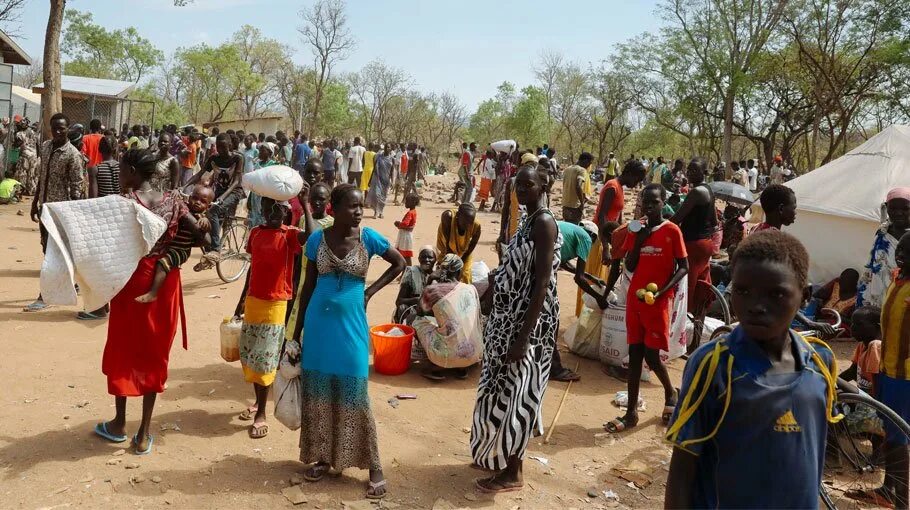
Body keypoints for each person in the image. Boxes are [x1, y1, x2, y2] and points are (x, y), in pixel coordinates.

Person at [664, 229, 840, 508]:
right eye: (743, 291)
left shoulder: (819, 361)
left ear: (804, 296)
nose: (756, 306)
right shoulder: (715, 365)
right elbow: (683, 469)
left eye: (776, 294)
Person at [293, 184, 405, 499]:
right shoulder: (316, 241)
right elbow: (307, 290)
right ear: (334, 208)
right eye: (352, 206)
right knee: (319, 393)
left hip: (352, 329)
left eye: (361, 206)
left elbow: (399, 263)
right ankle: (324, 457)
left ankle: (374, 467)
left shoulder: (368, 238)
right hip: (318, 329)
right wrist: (295, 335)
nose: (358, 212)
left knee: (356, 394)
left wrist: (369, 292)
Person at [94, 148, 207, 455]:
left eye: (122, 171)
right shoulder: (174, 199)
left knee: (124, 348)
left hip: (132, 279)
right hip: (165, 281)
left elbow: (106, 245)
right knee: (153, 353)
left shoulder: (125, 204)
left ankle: (119, 424)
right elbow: (199, 235)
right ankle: (143, 434)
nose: (120, 177)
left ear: (132, 170)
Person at [470, 161, 561, 494]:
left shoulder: (545, 225)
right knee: (498, 385)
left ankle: (514, 471)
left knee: (518, 391)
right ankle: (494, 452)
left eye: (528, 186)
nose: (521, 191)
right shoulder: (528, 220)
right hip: (507, 319)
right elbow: (512, 268)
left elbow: (541, 285)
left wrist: (523, 337)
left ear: (542, 187)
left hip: (528, 324)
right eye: (518, 186)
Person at [231, 189, 314, 439]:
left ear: (287, 211)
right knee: (251, 356)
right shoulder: (256, 233)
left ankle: (261, 413)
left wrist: (306, 204)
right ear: (263, 210)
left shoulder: (289, 234)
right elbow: (252, 269)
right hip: (255, 302)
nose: (276, 213)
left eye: (281, 209)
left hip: (276, 304)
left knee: (266, 360)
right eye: (271, 208)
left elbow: (311, 236)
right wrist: (241, 301)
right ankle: (258, 402)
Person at [605, 184, 687, 433]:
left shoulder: (672, 231)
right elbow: (629, 264)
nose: (649, 207)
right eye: (645, 203)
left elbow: (683, 266)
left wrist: (664, 290)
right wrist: (639, 240)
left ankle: (670, 392)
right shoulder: (637, 229)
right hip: (636, 300)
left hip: (658, 301)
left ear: (663, 202)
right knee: (635, 354)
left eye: (654, 202)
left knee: (652, 355)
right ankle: (631, 413)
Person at [25, 113, 85, 313]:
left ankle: (45, 295)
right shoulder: (46, 146)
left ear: (68, 129)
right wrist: (35, 203)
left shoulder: (72, 154)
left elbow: (77, 186)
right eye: (55, 128)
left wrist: (74, 215)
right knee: (47, 249)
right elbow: (42, 177)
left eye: (62, 128)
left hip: (61, 212)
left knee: (53, 254)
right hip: (45, 208)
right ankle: (69, 284)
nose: (58, 132)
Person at [413, 254, 482, 381]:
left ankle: (437, 364)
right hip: (474, 354)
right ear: (460, 272)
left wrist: (430, 281)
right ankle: (461, 368)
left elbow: (420, 311)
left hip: (446, 357)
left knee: (416, 321)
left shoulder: (433, 290)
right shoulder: (471, 289)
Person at [285, 183, 334, 342]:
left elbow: (312, 238)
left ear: (329, 202)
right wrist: (295, 277)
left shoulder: (332, 224)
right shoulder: (304, 219)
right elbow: (302, 250)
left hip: (323, 277)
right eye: (313, 199)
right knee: (299, 313)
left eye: (321, 199)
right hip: (305, 275)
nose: (317, 203)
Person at [188, 133, 243, 264]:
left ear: (229, 146)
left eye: (223, 147)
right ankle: (208, 250)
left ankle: (216, 249)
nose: (220, 150)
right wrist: (183, 186)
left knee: (212, 211)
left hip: (234, 192)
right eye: (218, 147)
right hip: (218, 192)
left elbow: (236, 181)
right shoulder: (213, 158)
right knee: (200, 211)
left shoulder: (237, 158)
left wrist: (222, 197)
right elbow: (200, 174)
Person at [671, 157, 717, 311]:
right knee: (699, 283)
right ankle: (698, 316)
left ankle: (686, 318)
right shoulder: (708, 190)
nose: (690, 173)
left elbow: (677, 219)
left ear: (704, 172)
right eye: (689, 169)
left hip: (693, 244)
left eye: (694, 170)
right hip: (705, 243)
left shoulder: (696, 192)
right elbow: (714, 221)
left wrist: (657, 224)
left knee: (688, 285)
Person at [857, 187, 910, 308]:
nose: (898, 212)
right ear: (887, 207)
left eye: (905, 208)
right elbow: (872, 264)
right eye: (893, 208)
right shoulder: (882, 233)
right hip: (880, 293)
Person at [436, 203, 481, 283]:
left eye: (470, 223)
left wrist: (461, 262)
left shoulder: (476, 226)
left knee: (465, 274)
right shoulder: (448, 217)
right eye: (465, 223)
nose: (468, 226)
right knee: (444, 273)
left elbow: (472, 246)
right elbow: (448, 246)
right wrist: (450, 263)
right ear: (457, 216)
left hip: (464, 251)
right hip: (446, 248)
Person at [393, 246, 436, 324]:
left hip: (431, 312)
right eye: (423, 257)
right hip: (413, 311)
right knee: (402, 308)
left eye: (430, 257)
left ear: (435, 260)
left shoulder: (438, 276)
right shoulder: (412, 273)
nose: (427, 260)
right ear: (419, 259)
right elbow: (399, 301)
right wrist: (417, 300)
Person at [561, 152, 592, 224]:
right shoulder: (582, 170)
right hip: (575, 207)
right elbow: (578, 186)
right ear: (585, 161)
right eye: (589, 163)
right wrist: (582, 203)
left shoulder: (567, 169)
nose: (589, 165)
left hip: (565, 205)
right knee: (574, 228)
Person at [13, 116, 39, 195]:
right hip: (34, 155)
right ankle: (31, 190)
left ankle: (22, 189)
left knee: (22, 173)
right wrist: (38, 155)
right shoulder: (32, 132)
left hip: (25, 155)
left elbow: (17, 145)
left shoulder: (19, 134)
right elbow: (37, 144)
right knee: (32, 173)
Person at [367, 144, 394, 219]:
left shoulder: (392, 159)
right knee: (377, 195)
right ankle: (376, 211)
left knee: (383, 196)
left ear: (391, 149)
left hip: (386, 181)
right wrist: (370, 180)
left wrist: (392, 181)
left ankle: (381, 212)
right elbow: (374, 169)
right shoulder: (378, 157)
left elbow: (392, 171)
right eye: (385, 147)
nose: (386, 148)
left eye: (388, 147)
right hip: (377, 179)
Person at [395, 193, 419, 266]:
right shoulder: (413, 212)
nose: (405, 202)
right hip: (406, 235)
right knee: (405, 254)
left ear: (413, 202)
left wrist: (398, 224)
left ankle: (409, 271)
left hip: (405, 236)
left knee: (405, 255)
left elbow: (405, 224)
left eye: (407, 201)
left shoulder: (410, 213)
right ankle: (406, 271)